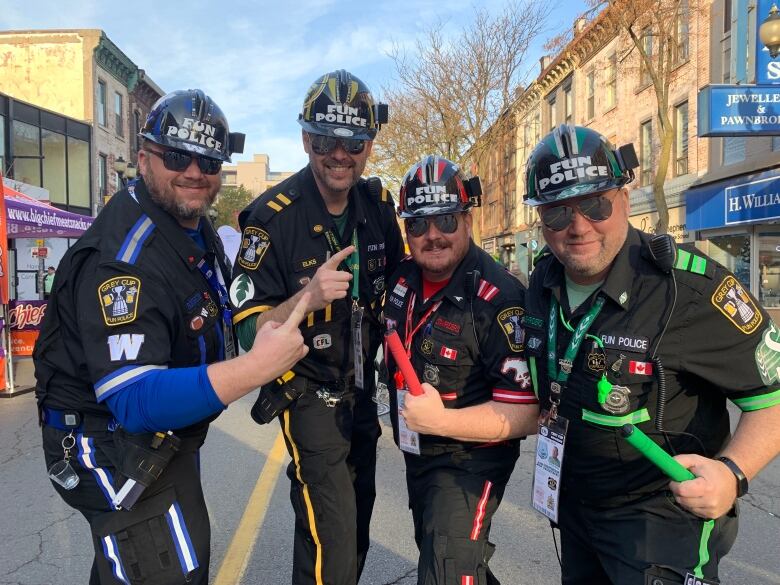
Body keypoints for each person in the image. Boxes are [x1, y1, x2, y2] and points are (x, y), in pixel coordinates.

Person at [34, 89, 310, 585]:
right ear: (144, 158)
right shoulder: (122, 260)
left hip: (165, 439)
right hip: (106, 441)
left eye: (208, 160)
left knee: (144, 563)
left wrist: (303, 302)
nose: (194, 171)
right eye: (177, 156)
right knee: (172, 570)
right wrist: (256, 370)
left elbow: (226, 325)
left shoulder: (194, 231)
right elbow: (134, 399)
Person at [522, 124, 780, 585]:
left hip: (659, 519)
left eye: (595, 204)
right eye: (558, 213)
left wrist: (732, 475)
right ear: (541, 219)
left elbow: (774, 397)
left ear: (625, 195)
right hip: (575, 505)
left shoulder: (690, 289)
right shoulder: (542, 284)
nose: (578, 226)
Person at [229, 69, 403, 585]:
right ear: (307, 139)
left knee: (350, 529)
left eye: (354, 140)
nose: (340, 153)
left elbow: (400, 287)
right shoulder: (270, 217)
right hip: (305, 393)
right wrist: (306, 298)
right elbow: (245, 328)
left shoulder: (376, 208)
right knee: (334, 529)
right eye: (326, 139)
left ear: (369, 144)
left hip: (361, 393)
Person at [383, 156, 539, 585]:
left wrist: (443, 421)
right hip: (418, 451)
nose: (432, 236)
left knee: (448, 570)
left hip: (471, 461)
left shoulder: (499, 298)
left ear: (468, 221)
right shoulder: (400, 279)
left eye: (446, 221)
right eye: (418, 224)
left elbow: (526, 412)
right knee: (448, 559)